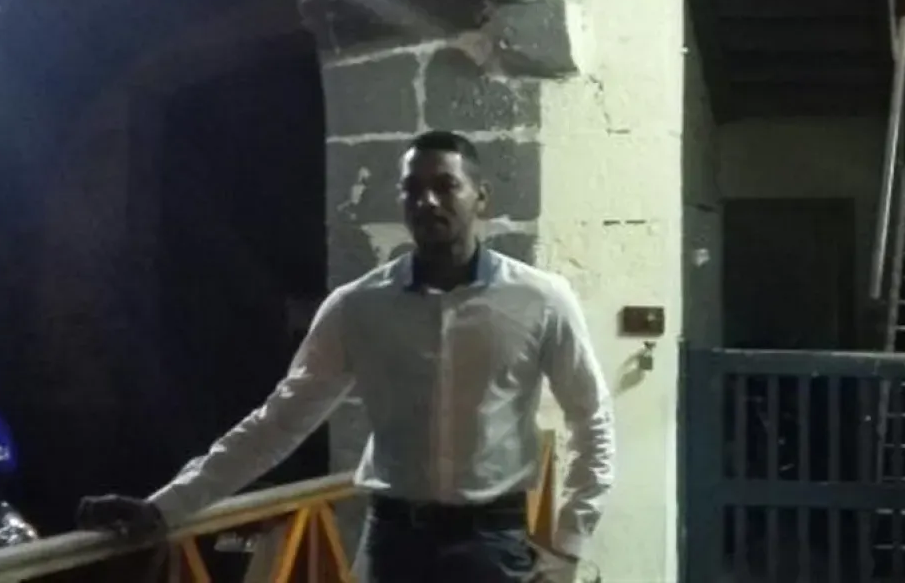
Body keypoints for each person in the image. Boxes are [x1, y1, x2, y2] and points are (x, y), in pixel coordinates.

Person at [78, 130, 616, 583]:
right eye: (413, 189)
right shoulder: (358, 307)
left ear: (482, 198)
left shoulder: (541, 299)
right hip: (394, 545)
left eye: (446, 185)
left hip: (491, 542)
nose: (428, 201)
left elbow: (592, 418)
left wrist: (568, 546)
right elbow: (278, 423)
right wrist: (165, 507)